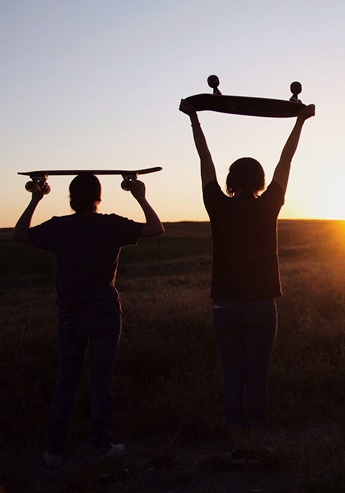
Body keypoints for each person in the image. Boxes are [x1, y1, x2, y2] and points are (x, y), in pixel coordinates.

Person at [179, 99, 315, 462]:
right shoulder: (268, 204)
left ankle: (238, 446)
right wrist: (299, 122)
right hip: (261, 306)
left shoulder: (216, 205)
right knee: (257, 377)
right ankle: (256, 444)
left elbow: (204, 160)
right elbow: (286, 162)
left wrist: (195, 120)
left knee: (231, 378)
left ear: (229, 181)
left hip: (224, 306)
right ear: (259, 181)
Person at [12, 174, 164, 467]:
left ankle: (54, 452)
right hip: (105, 314)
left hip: (69, 317)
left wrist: (35, 198)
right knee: (101, 383)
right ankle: (102, 447)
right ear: (99, 197)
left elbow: (18, 234)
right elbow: (157, 228)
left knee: (66, 384)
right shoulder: (110, 224)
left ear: (71, 198)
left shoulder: (58, 227)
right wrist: (139, 195)